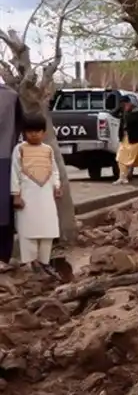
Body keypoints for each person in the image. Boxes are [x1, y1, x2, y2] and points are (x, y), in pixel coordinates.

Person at [10, 111, 61, 275]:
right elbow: (15, 172)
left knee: (48, 230)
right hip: (27, 196)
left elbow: (54, 170)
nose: (34, 134)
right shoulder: (20, 149)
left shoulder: (48, 150)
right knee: (28, 231)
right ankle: (29, 265)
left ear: (44, 132)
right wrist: (16, 195)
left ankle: (45, 263)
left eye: (37, 131)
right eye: (30, 131)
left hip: (46, 195)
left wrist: (57, 186)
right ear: (24, 133)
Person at [0, 83, 24, 268]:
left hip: (5, 157)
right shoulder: (11, 96)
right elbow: (20, 127)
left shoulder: (11, 96)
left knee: (4, 209)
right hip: (5, 156)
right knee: (4, 210)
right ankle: (3, 257)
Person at [114, 95, 138, 184]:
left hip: (135, 140)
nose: (123, 106)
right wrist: (120, 110)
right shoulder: (123, 111)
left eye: (124, 104)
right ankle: (122, 176)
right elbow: (114, 114)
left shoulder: (137, 112)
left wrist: (127, 114)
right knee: (120, 158)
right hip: (125, 139)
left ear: (129, 103)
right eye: (122, 105)